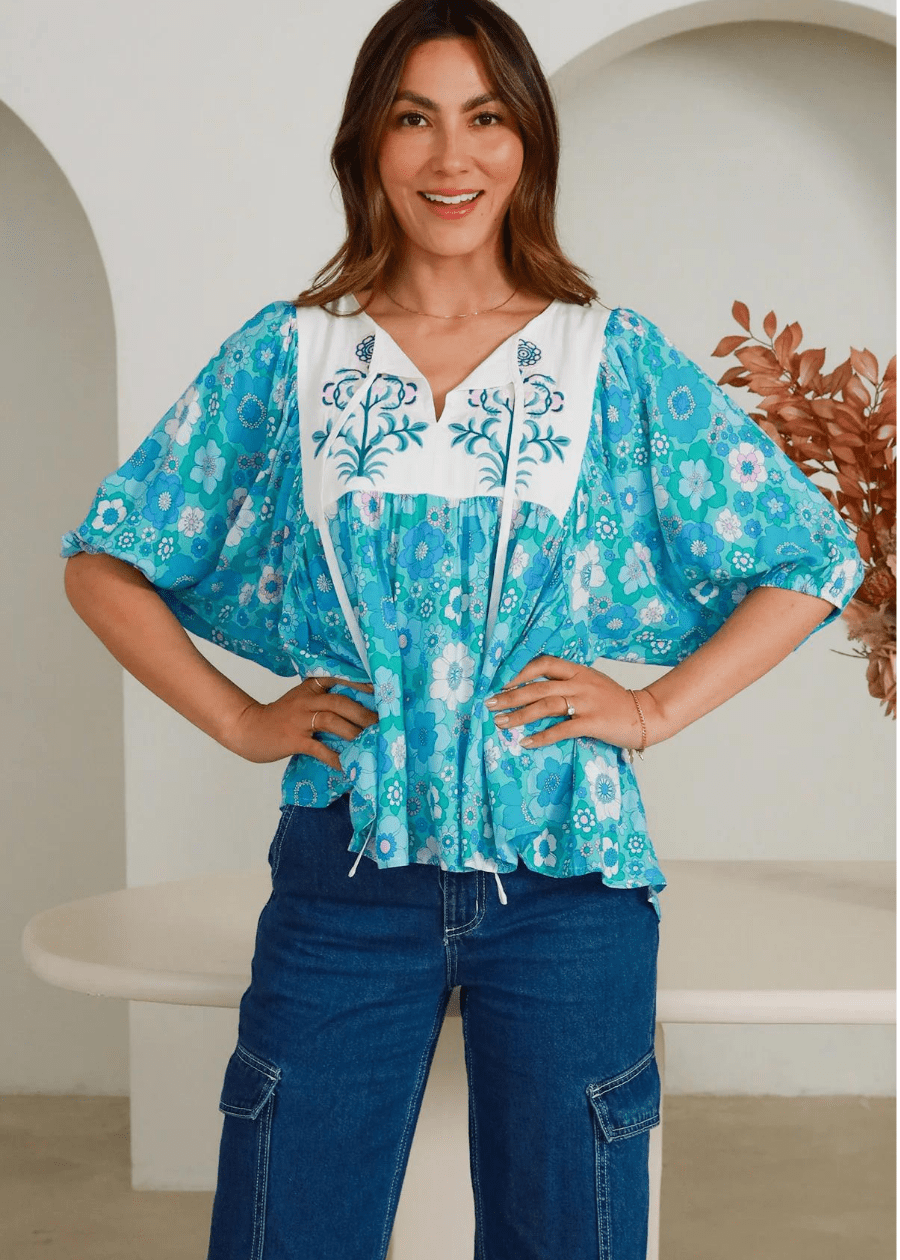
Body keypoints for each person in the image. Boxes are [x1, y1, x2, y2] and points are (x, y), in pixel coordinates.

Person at [60, 1, 864, 1256]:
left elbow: (815, 556)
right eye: (415, 117)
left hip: (567, 890)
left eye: (486, 118)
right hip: (345, 885)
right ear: (368, 147)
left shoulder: (612, 360)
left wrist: (650, 710)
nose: (453, 158)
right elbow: (106, 559)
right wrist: (236, 718)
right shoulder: (294, 358)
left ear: (528, 142)